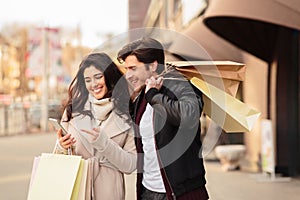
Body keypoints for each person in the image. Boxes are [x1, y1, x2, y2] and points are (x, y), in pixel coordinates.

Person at [117, 37, 209, 200]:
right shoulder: (141, 95)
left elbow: (189, 115)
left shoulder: (181, 85)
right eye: (126, 69)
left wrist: (154, 96)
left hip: (180, 192)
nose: (128, 75)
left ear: (152, 65)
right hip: (147, 190)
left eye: (132, 68)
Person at [53, 52, 137, 200]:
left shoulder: (128, 112)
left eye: (98, 77)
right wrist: (61, 147)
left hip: (109, 192)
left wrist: (103, 143)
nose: (94, 84)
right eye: (88, 80)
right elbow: (58, 158)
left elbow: (130, 165)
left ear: (109, 76)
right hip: (77, 189)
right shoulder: (73, 110)